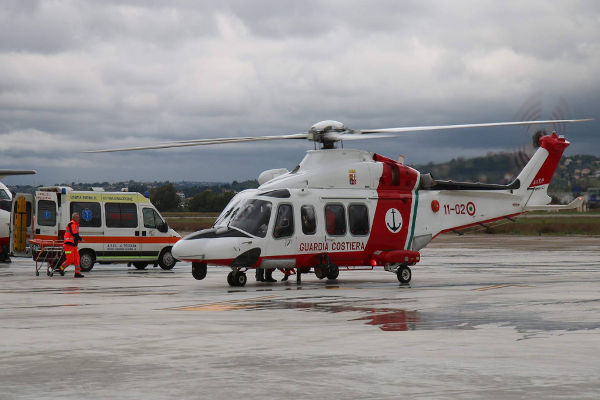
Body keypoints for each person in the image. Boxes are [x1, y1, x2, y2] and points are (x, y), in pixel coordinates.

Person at [59, 212, 84, 278]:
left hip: (73, 245)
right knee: (70, 259)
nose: (79, 218)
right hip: (68, 245)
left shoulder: (75, 224)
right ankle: (61, 268)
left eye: (79, 217)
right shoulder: (72, 224)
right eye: (77, 217)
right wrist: (81, 239)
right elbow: (74, 234)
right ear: (74, 218)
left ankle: (77, 273)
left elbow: (74, 235)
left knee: (77, 259)